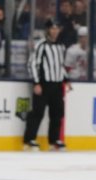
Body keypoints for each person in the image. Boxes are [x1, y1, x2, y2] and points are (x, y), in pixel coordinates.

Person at [23, 19, 70, 151]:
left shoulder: (61, 46)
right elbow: (32, 64)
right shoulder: (41, 45)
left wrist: (66, 80)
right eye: (52, 28)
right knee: (37, 112)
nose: (55, 31)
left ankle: (54, 140)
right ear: (48, 30)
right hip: (44, 84)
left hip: (57, 84)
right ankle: (29, 139)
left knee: (57, 113)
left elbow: (61, 65)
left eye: (57, 28)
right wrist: (36, 82)